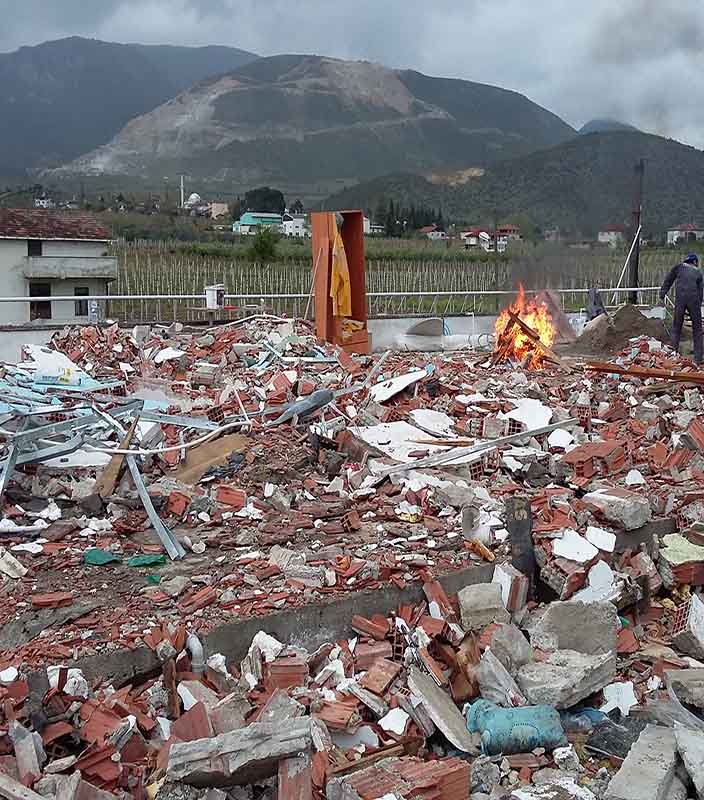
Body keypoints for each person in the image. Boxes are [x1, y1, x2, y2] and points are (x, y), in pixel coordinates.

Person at [660, 252, 703, 365]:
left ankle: (673, 353)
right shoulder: (698, 272)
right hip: (694, 300)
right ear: (694, 262)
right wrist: (697, 306)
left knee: (676, 326)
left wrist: (662, 293)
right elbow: (700, 292)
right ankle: (698, 358)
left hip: (680, 299)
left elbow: (668, 280)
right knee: (697, 329)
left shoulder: (678, 268)